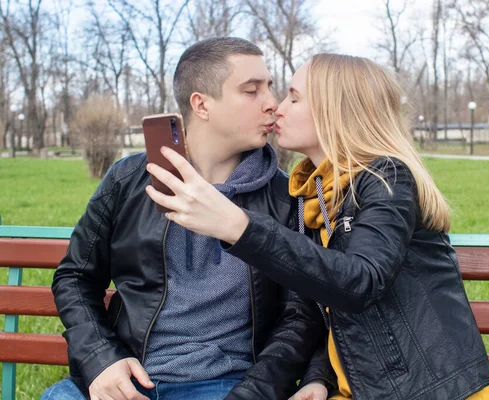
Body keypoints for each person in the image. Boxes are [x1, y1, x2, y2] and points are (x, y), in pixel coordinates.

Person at [145, 53, 489, 399]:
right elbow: (317, 308)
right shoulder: (313, 197)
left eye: (294, 98)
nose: (277, 107)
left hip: (425, 390)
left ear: (337, 112)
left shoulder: (386, 178)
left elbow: (361, 281)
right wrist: (319, 378)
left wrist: (240, 227)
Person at [41, 37, 328, 400]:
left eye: (269, 87)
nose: (272, 104)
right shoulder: (129, 180)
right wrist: (101, 359)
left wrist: (252, 394)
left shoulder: (288, 199)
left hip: (226, 384)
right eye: (252, 90)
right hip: (126, 377)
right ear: (201, 104)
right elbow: (75, 277)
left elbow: (300, 317)